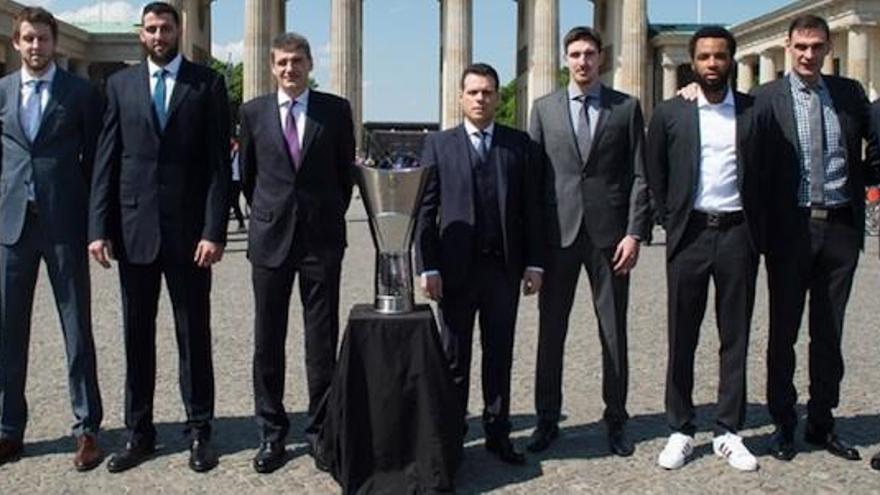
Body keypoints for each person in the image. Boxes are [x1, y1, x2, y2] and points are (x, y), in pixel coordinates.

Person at [88, 1, 230, 473]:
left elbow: (217, 167)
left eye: (166, 28)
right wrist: (98, 228)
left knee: (194, 336)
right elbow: (107, 160)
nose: (158, 35)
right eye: (150, 29)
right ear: (141, 33)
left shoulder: (206, 83)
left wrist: (215, 230)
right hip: (135, 232)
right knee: (136, 336)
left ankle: (199, 432)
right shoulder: (119, 85)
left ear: (178, 30)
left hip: (191, 236)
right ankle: (139, 432)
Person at [752, 14, 880, 462]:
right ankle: (783, 424)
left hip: (842, 226)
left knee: (829, 332)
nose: (809, 54)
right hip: (791, 229)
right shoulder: (764, 99)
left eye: (817, 46)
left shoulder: (849, 94)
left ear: (827, 48)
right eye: (801, 46)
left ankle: (822, 422)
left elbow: (876, 139)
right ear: (787, 46)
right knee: (783, 332)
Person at [527, 26, 651, 456]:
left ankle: (616, 419)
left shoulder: (626, 107)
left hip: (610, 238)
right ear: (565, 59)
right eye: (575, 54)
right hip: (557, 236)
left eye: (590, 54)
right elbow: (534, 181)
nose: (582, 61)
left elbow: (640, 176)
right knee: (551, 334)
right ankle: (546, 420)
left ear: (602, 58)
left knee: (614, 333)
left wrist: (635, 233)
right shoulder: (542, 109)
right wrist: (532, 250)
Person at [646, 26, 763, 472]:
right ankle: (680, 427)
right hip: (690, 233)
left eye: (719, 56)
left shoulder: (754, 111)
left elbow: (768, 171)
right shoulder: (672, 112)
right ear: (692, 62)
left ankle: (729, 430)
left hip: (737, 233)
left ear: (732, 59)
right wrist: (670, 218)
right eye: (704, 57)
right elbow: (654, 166)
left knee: (735, 336)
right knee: (682, 336)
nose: (712, 63)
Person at [416, 63, 543, 465]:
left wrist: (535, 263)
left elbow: (533, 210)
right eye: (473, 92)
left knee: (499, 354)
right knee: (454, 358)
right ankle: (452, 433)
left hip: (503, 270)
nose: (480, 98)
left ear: (497, 96)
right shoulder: (439, 144)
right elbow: (425, 211)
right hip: (453, 272)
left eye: (487, 92)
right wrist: (427, 266)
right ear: (460, 97)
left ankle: (498, 431)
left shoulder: (519, 144)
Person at [238, 32, 354, 474]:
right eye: (283, 63)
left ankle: (322, 432)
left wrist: (321, 214)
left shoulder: (335, 110)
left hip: (321, 239)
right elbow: (248, 177)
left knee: (320, 341)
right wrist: (272, 214)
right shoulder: (252, 113)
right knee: (268, 339)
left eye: (298, 62)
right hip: (270, 238)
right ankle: (271, 433)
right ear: (272, 67)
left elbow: (345, 177)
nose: (290, 69)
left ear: (310, 64)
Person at [0, 6, 103, 471]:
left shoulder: (79, 92)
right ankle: (7, 429)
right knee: (7, 331)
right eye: (28, 39)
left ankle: (86, 428)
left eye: (43, 38)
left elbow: (97, 160)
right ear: (16, 44)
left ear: (54, 42)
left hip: (65, 225)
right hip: (11, 226)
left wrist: (89, 215)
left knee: (76, 328)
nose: (36, 46)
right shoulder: (1, 92)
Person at [230, 137, 246, 232]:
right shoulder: (232, 152)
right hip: (233, 179)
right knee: (233, 202)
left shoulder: (239, 153)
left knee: (234, 201)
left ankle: (241, 223)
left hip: (238, 179)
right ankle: (241, 223)